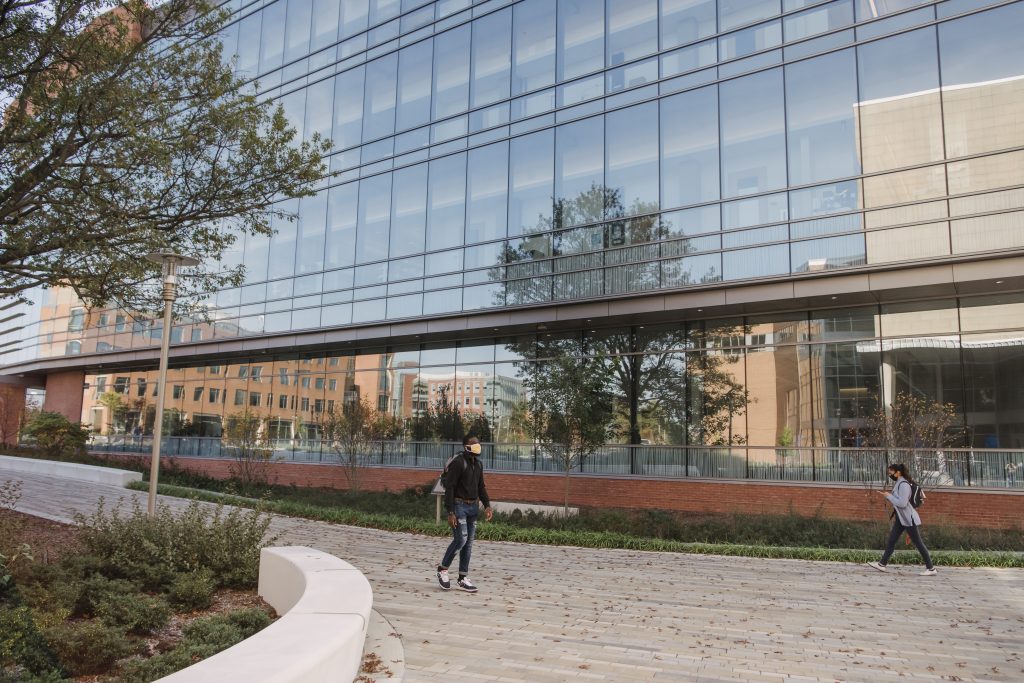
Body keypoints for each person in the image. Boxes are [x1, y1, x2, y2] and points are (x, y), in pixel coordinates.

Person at [436, 435, 492, 593]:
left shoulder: (479, 465)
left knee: (468, 544)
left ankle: (462, 577)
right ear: (466, 446)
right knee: (461, 540)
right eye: (474, 444)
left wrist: (487, 505)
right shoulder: (459, 462)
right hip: (459, 505)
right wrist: (450, 512)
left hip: (473, 508)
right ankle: (442, 569)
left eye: (478, 443)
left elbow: (481, 487)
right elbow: (450, 488)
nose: (477, 445)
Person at [867, 463, 936, 576]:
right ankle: (882, 564)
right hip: (902, 518)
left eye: (890, 472)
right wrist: (889, 496)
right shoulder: (900, 483)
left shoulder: (903, 485)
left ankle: (931, 569)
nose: (889, 475)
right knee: (892, 540)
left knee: (918, 543)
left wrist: (888, 496)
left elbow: (903, 503)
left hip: (908, 519)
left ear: (898, 472)